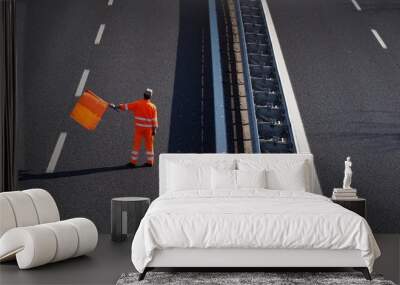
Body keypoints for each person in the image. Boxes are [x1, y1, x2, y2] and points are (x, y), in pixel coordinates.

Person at [109, 88, 158, 167]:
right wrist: (154, 130)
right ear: (150, 96)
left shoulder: (137, 104)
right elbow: (154, 120)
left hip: (139, 129)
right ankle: (150, 162)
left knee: (136, 145)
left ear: (144, 95)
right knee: (149, 145)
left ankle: (133, 162)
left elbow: (126, 106)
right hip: (148, 130)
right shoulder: (153, 107)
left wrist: (115, 106)